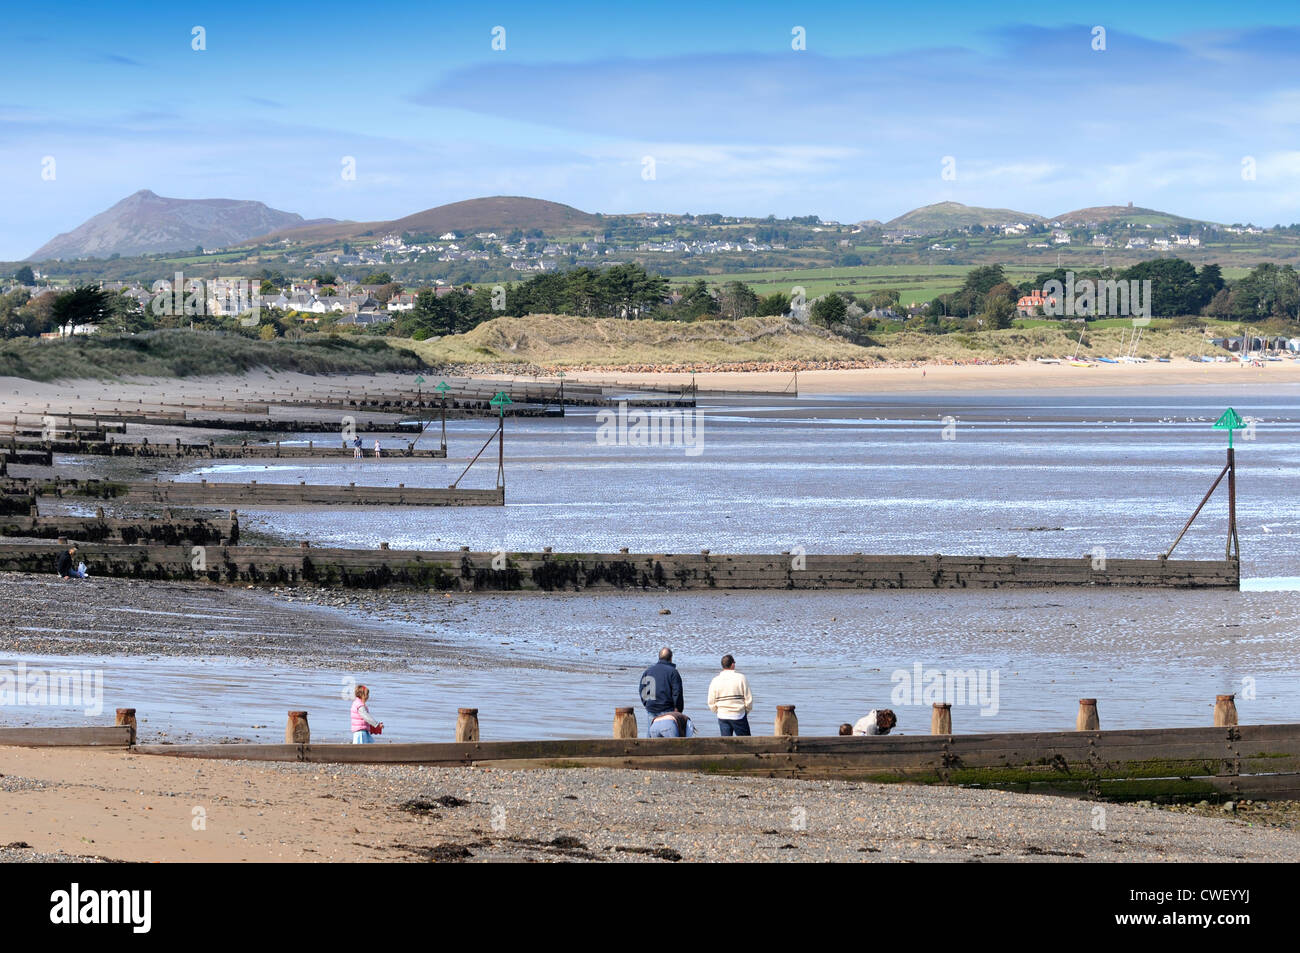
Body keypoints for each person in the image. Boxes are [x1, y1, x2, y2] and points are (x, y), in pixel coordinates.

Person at [639, 647, 683, 734]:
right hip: (667, 710)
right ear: (671, 658)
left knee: (651, 738)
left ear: (659, 657)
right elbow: (677, 692)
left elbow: (642, 690)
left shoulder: (648, 671)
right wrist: (678, 709)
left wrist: (647, 703)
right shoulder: (673, 672)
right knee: (671, 741)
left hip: (651, 709)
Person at [707, 654, 753, 736]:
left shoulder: (715, 680)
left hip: (722, 715)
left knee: (726, 744)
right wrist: (745, 711)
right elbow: (748, 699)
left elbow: (711, 702)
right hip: (738, 715)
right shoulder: (741, 678)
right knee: (746, 744)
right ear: (732, 664)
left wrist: (718, 710)